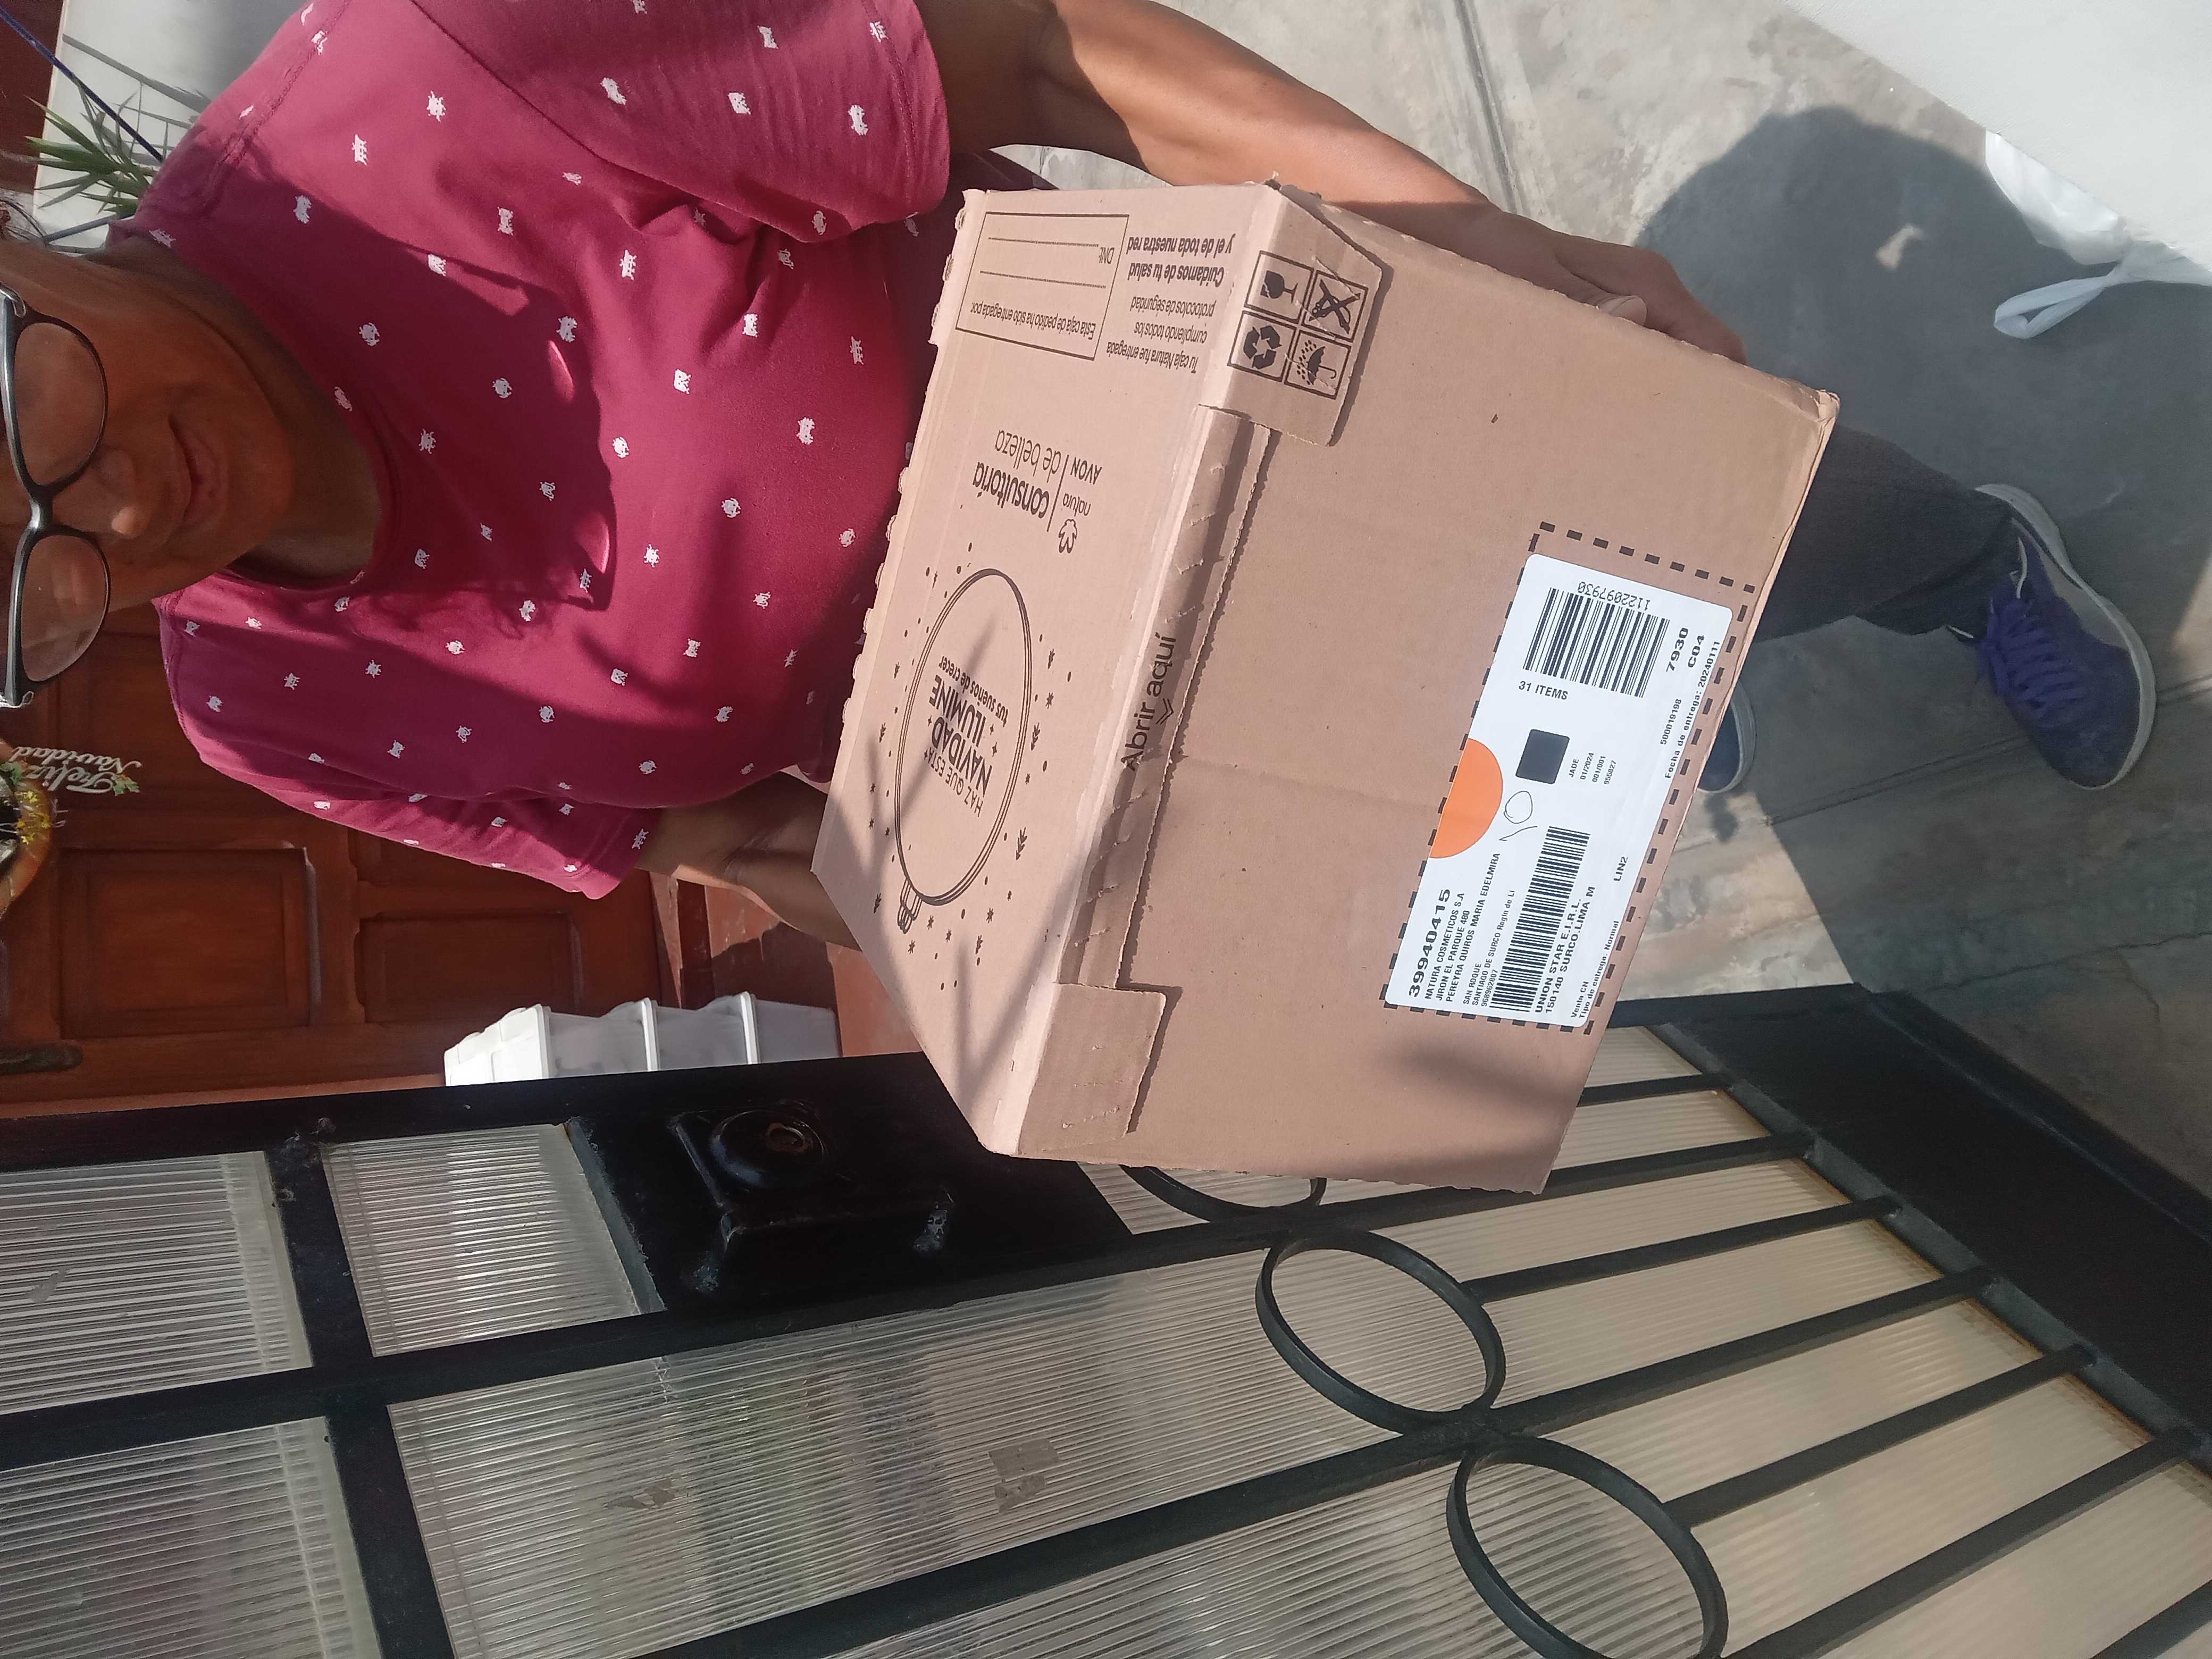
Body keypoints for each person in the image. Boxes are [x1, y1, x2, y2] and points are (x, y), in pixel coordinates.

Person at [0, 0, 2152, 948]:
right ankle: (1680, 684)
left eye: (23, 412)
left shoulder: (437, 87)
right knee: (1583, 722)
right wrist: (1020, 957)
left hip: (1282, 430)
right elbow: (724, 831)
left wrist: (1489, 262)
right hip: (1173, 743)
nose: (105, 516)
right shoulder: (263, 702)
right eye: (25, 579)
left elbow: (1029, 48)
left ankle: (1957, 561)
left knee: (1704, 498)